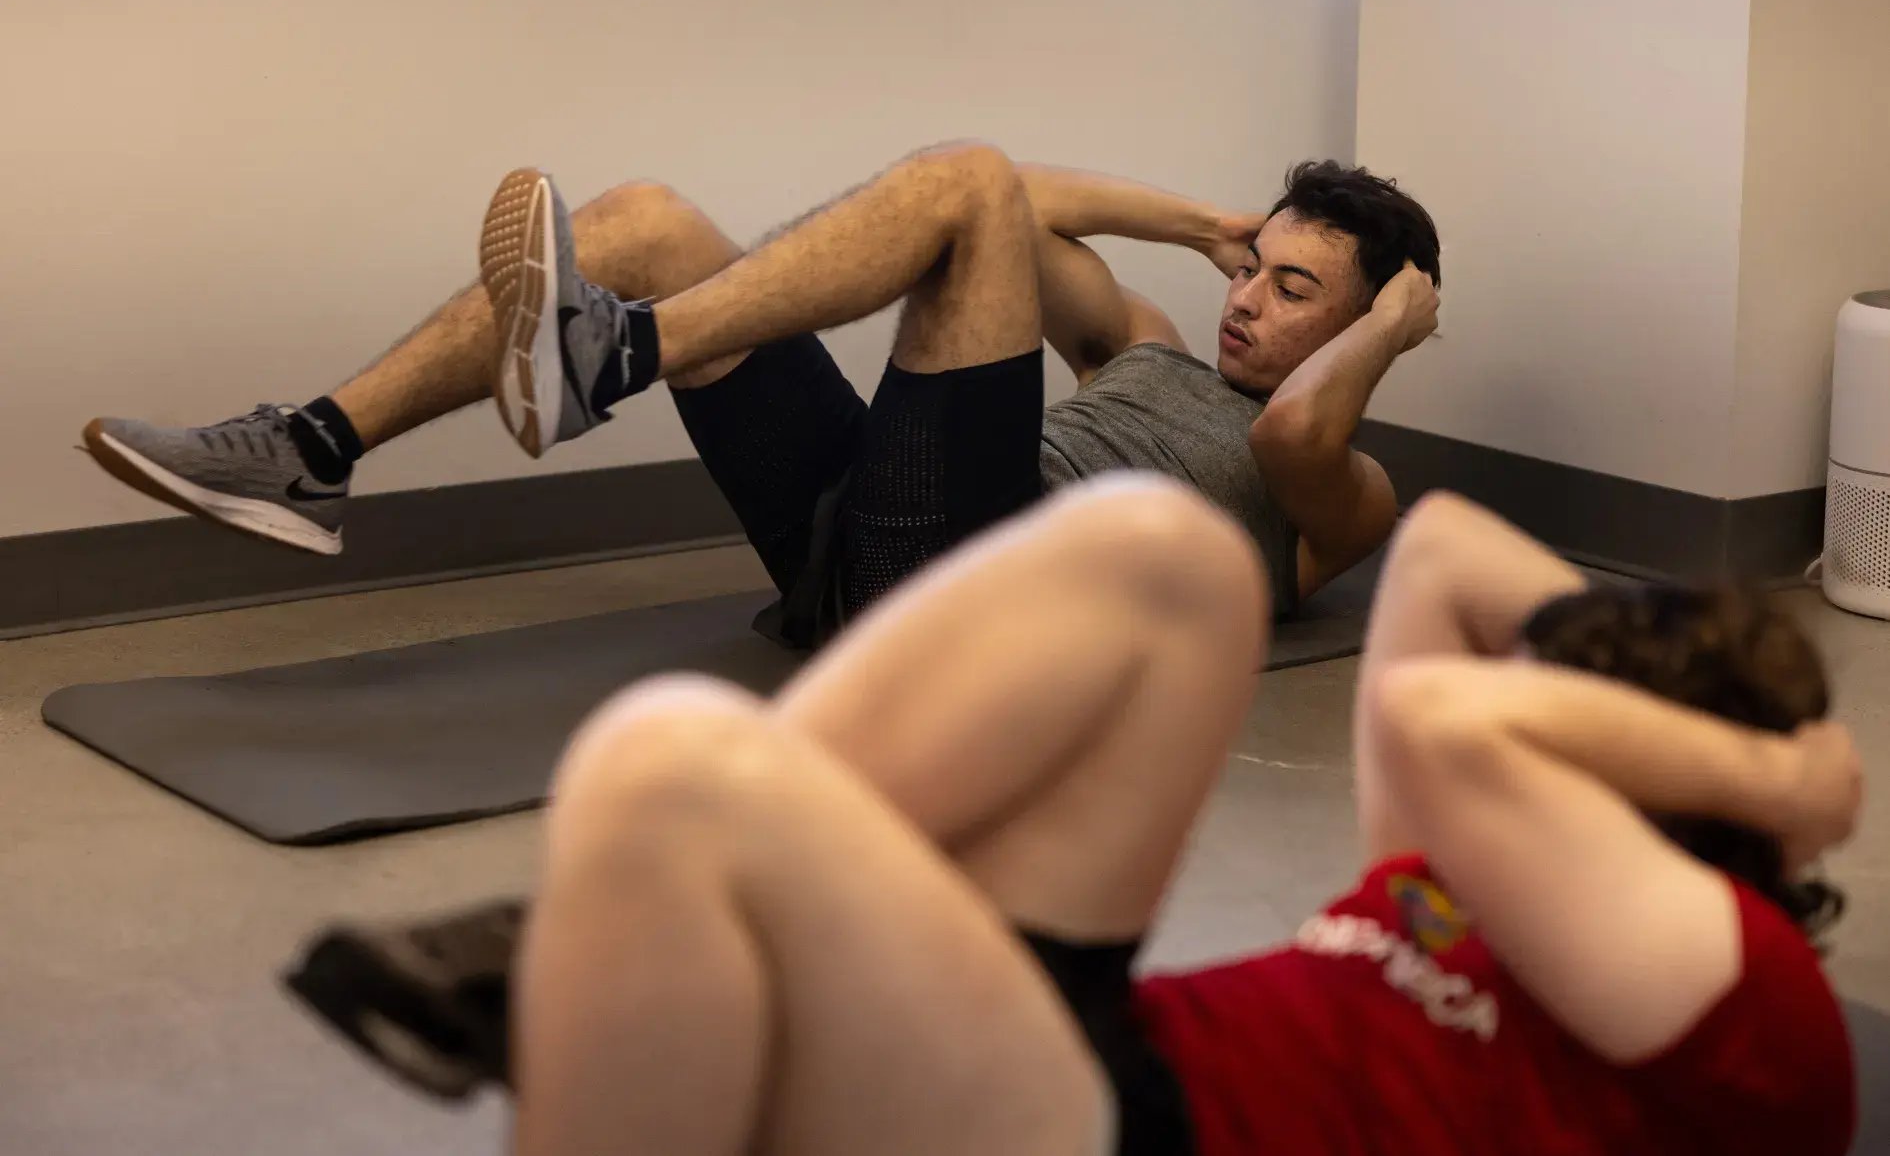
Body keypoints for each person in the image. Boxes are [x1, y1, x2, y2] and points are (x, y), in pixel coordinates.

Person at [287, 480, 1861, 1155]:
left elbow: (1445, 710)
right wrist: (1648, 664)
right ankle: (596, 942)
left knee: (673, 766)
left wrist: (1778, 775)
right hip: (1076, 1053)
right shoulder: (1497, 873)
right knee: (1167, 553)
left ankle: (575, 943)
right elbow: (1443, 548)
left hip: (1130, 1138)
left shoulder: (1740, 992)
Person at [82, 144, 1441, 646]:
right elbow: (1025, 199)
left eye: (1293, 289)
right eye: (1251, 271)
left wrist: (1390, 323)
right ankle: (310, 449)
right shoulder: (1138, 343)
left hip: (974, 606)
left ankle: (610, 355)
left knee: (957, 180)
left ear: (1373, 318)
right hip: (866, 538)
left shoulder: (1341, 491)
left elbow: (1297, 425)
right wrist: (1205, 219)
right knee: (650, 217)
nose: (1248, 298)